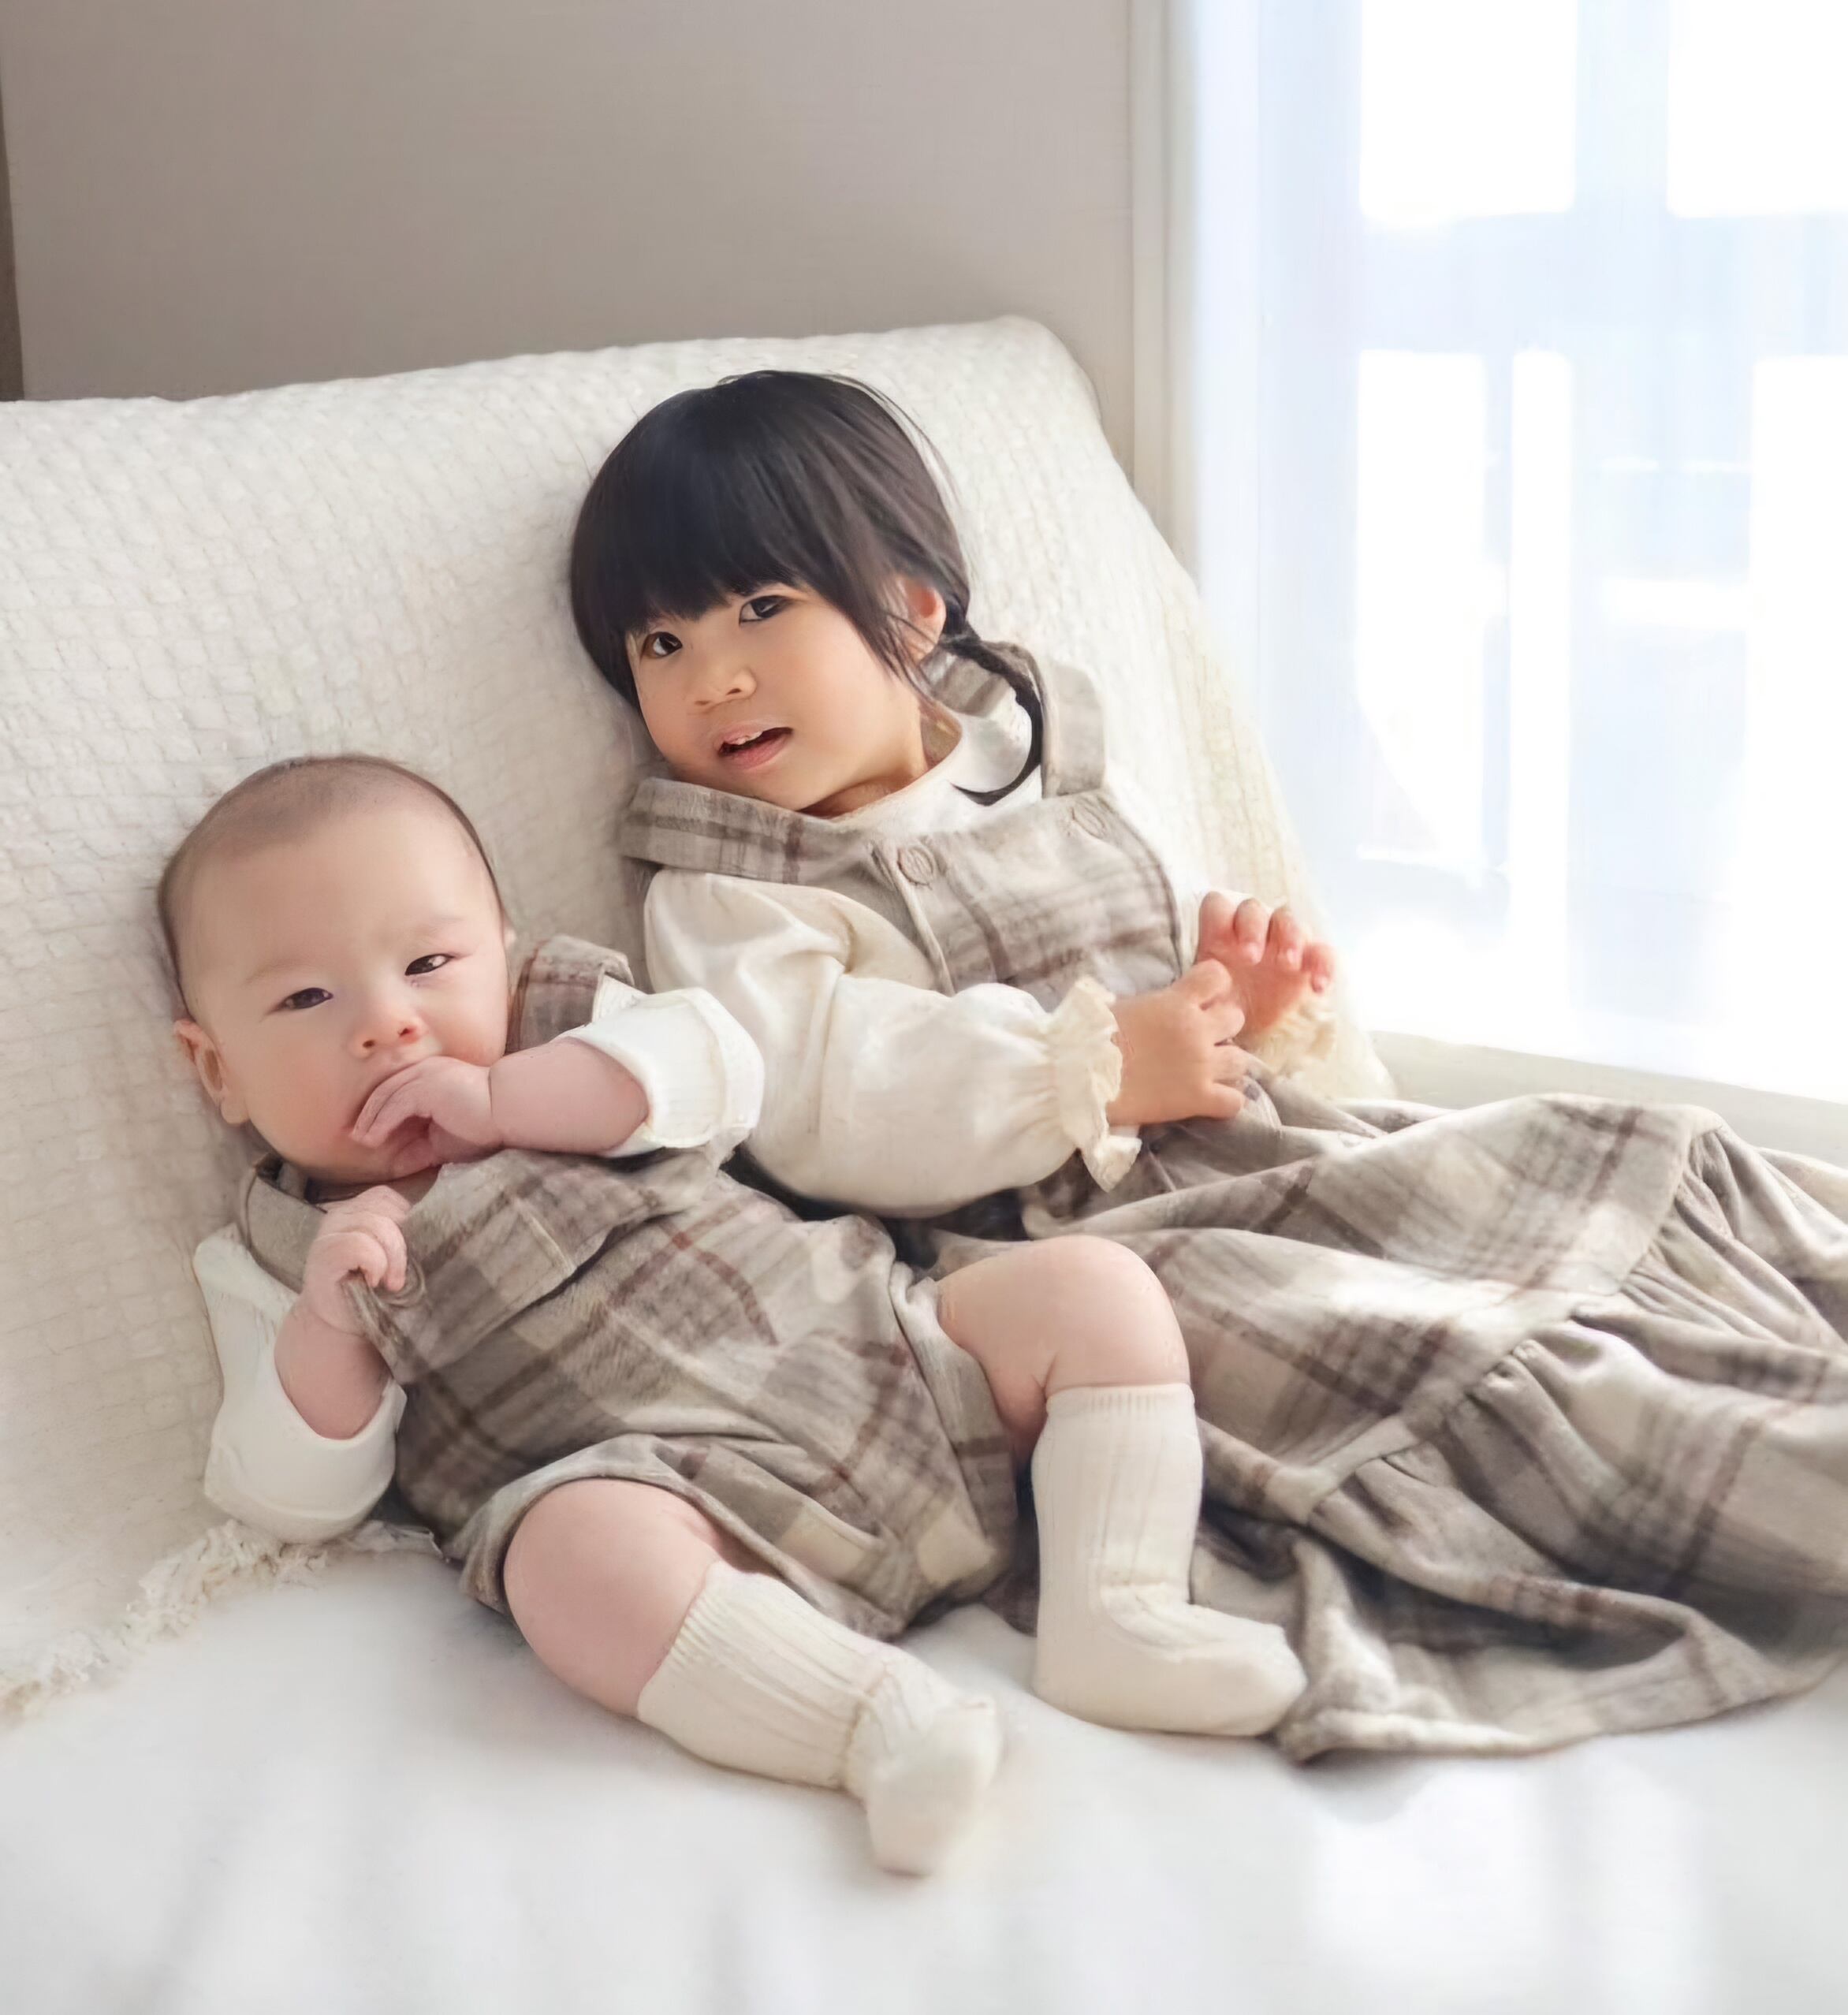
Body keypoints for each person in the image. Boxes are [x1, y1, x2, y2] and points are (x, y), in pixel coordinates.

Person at [568, 371, 1848, 1760]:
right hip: (1073, 1248)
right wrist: (1093, 1069)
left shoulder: (1033, 759)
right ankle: (1779, 1484)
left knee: (1589, 1162)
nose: (713, 678)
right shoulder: (730, 887)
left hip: (1257, 1145)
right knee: (1415, 1341)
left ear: (913, 612)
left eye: (762, 610)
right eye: (660, 643)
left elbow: (1176, 961)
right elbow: (823, 1103)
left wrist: (1237, 998)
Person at [165, 752, 1305, 1876]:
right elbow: (291, 1499)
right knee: (563, 1564)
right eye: (306, 998)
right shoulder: (280, 1254)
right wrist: (331, 1328)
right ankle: (878, 1724)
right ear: (217, 1071)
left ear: (504, 957)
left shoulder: (575, 1030)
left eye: (428, 963)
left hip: (887, 1357)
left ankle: (1118, 1608)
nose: (388, 1024)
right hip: (685, 1506)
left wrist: (509, 1097)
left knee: (1090, 1289)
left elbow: (718, 1069)